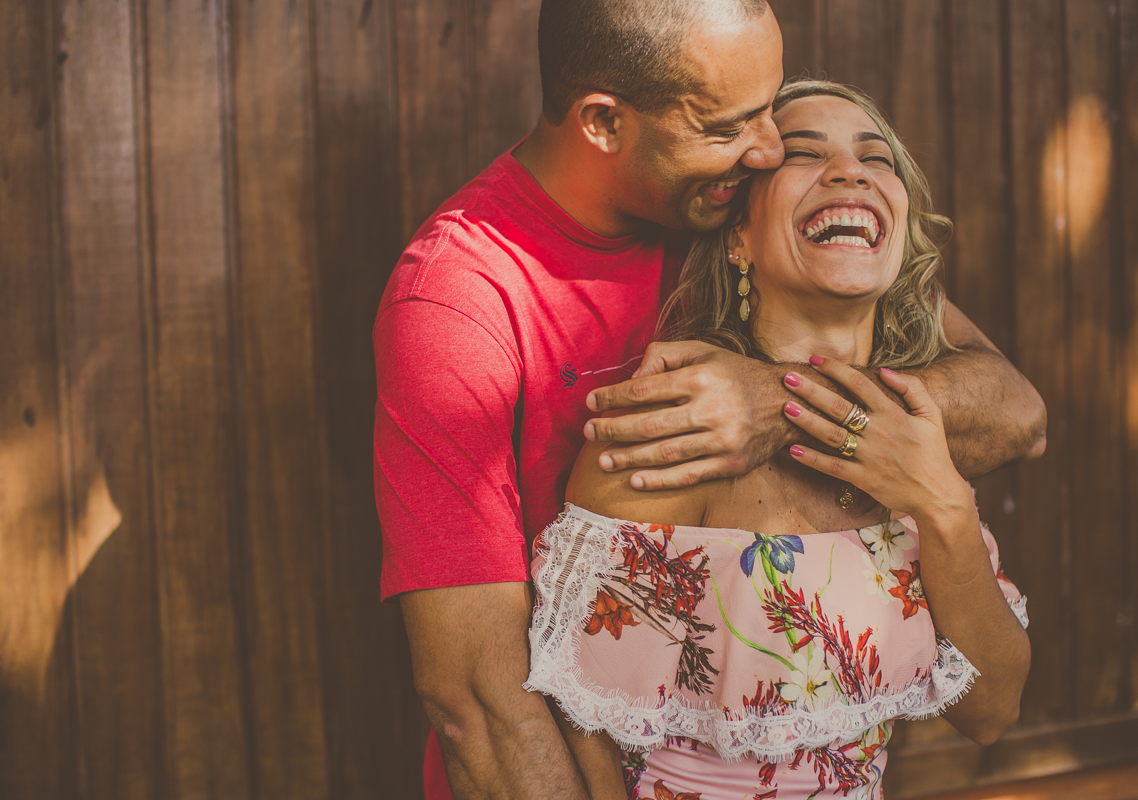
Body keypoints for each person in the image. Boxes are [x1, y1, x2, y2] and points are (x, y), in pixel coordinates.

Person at [372, 2, 1046, 798]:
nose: (764, 149)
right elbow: (481, 702)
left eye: (769, 114)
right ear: (603, 122)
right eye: (732, 125)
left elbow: (1013, 410)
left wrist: (779, 402)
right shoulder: (458, 303)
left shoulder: (730, 196)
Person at [525, 79, 1031, 800]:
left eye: (875, 157)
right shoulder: (671, 435)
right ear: (739, 235)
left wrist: (942, 503)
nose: (851, 170)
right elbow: (579, 725)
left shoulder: (921, 433)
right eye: (803, 153)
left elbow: (993, 711)